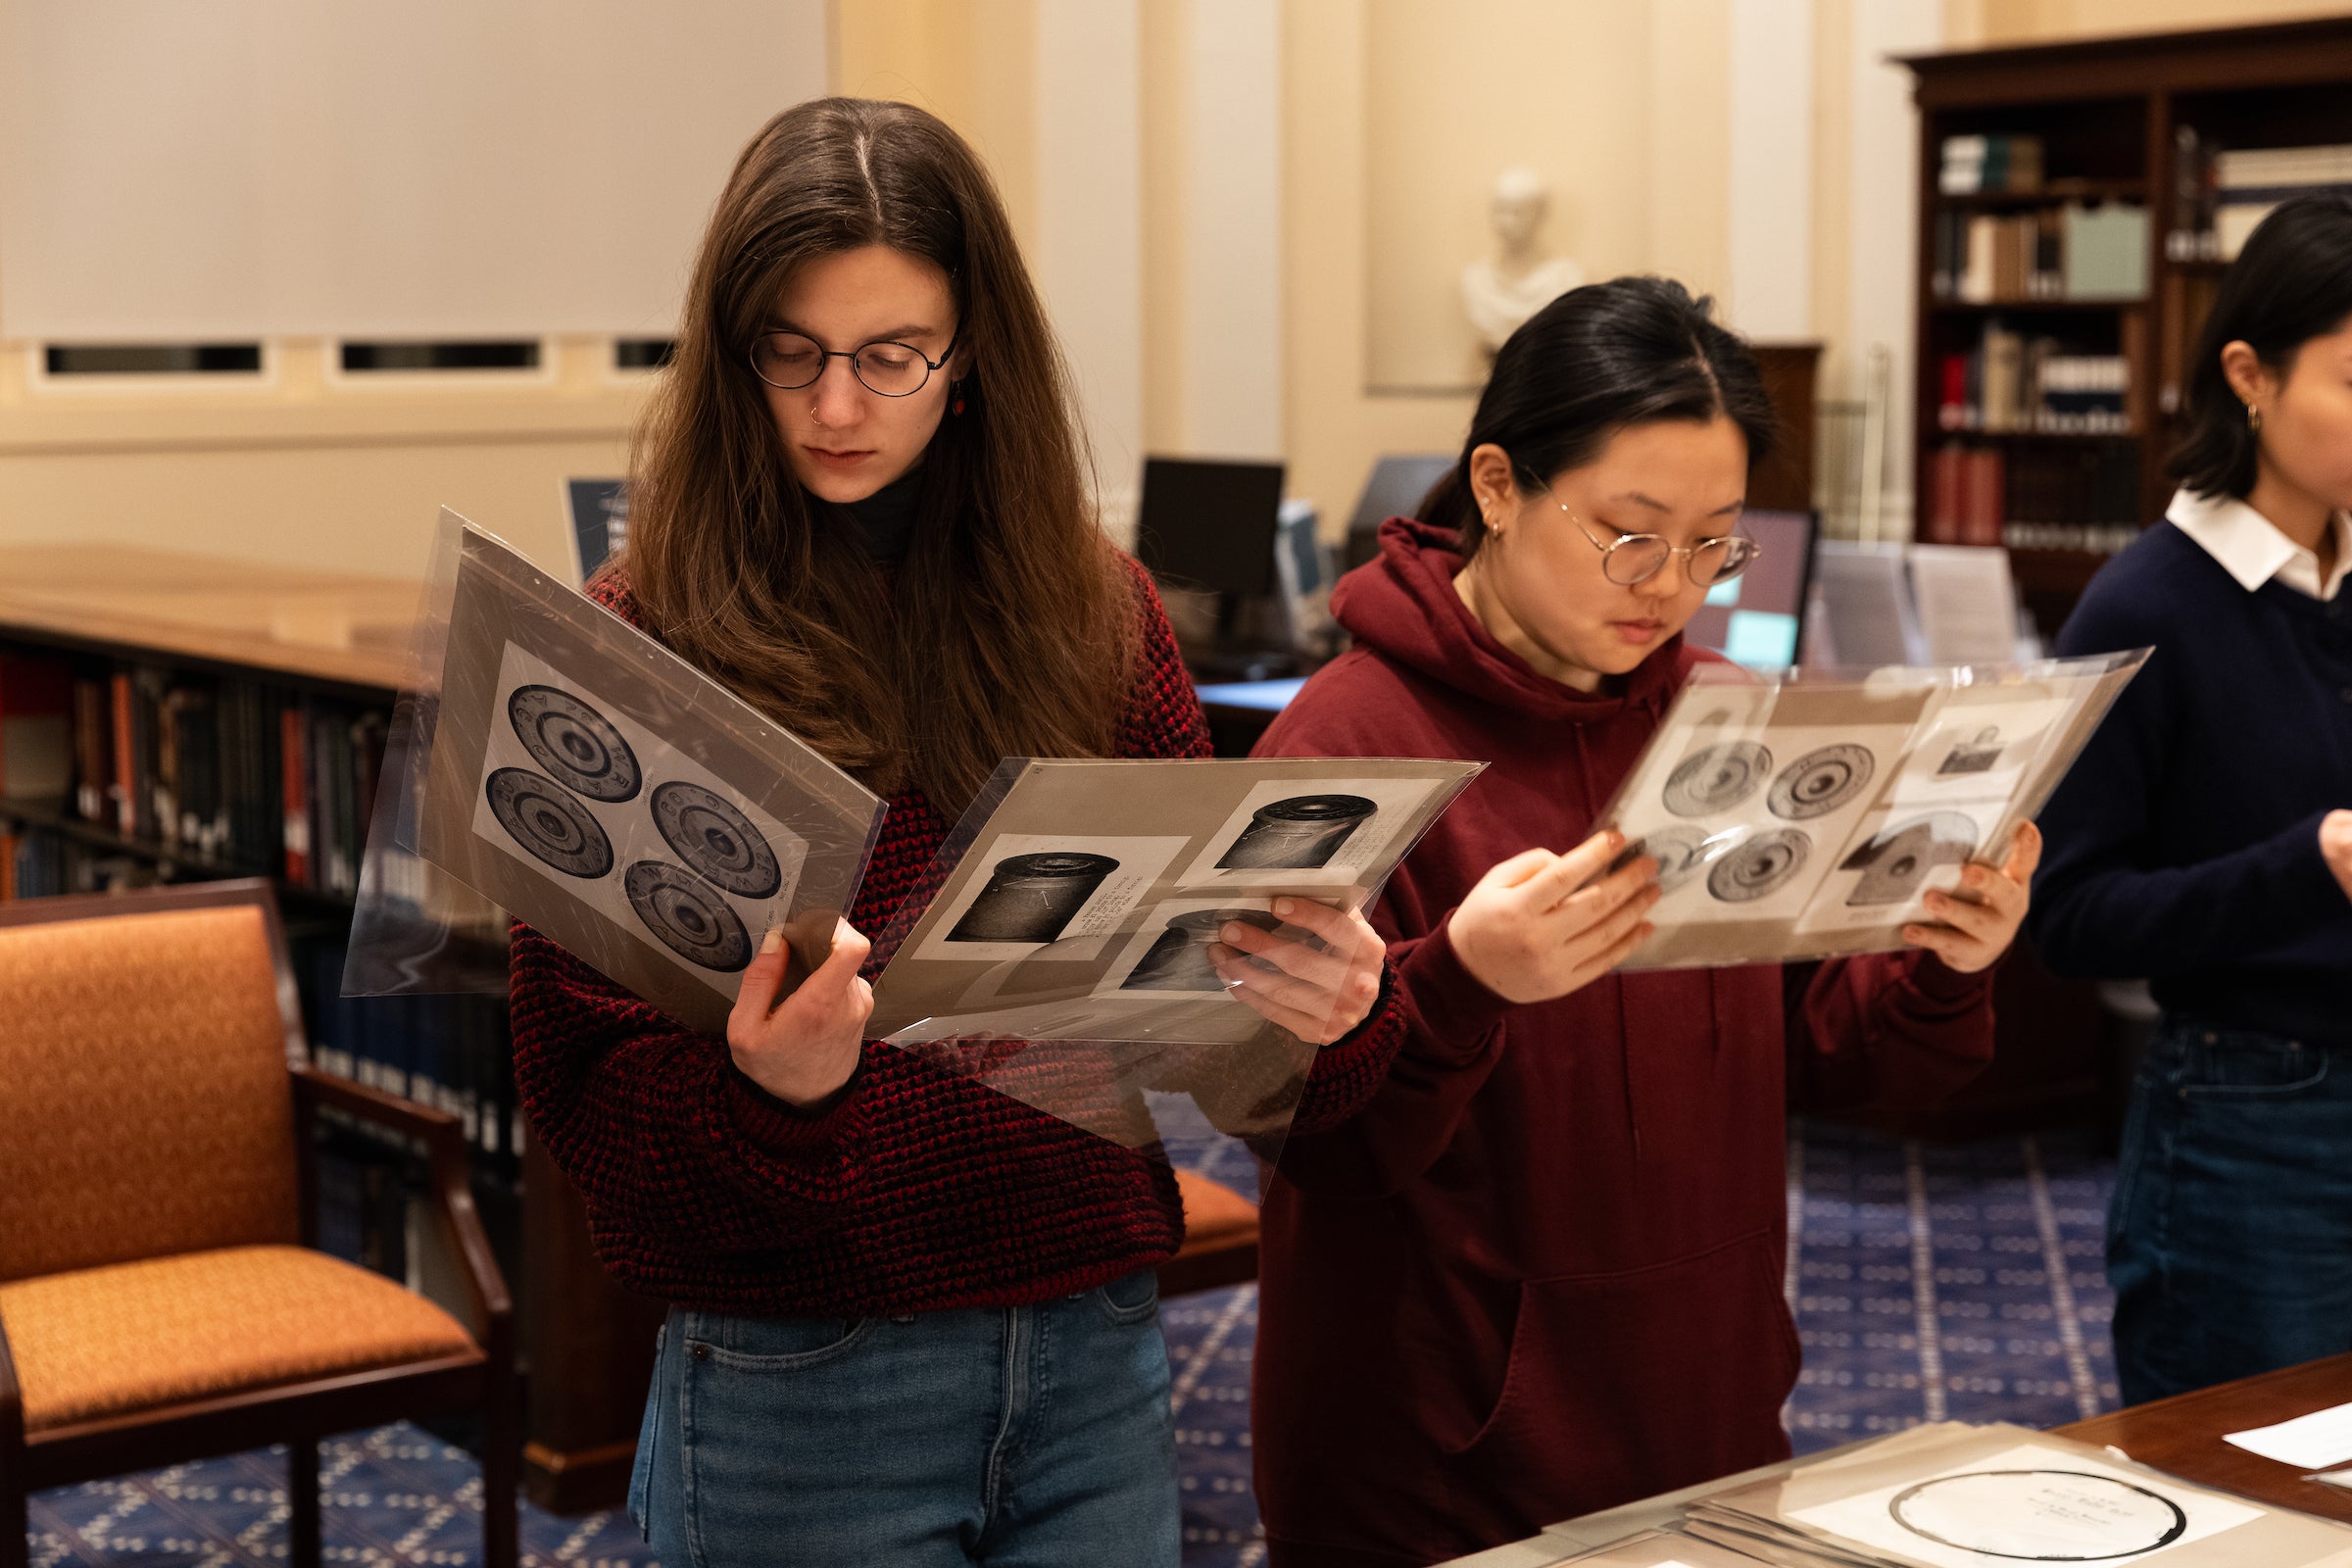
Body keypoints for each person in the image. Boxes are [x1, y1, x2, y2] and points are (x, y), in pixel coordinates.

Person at [506, 97, 1396, 1567]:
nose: (837, 408)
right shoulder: (641, 644)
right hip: (807, 1374)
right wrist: (768, 1096)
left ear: (971, 353)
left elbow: (1212, 1055)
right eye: (789, 355)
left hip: (1090, 1344)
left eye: (891, 357)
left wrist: (1323, 1010)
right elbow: (583, 1102)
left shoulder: (1098, 615)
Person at [1240, 276, 2040, 1567]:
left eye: (1716, 540)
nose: (1671, 585)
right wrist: (1456, 984)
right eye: (1628, 531)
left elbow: (1839, 1061)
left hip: (1706, 1425)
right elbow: (1301, 1139)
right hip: (1435, 1462)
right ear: (1496, 486)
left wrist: (1947, 962)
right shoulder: (1347, 743)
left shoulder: (1724, 721)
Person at [2028, 194, 2352, 1407]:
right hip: (2250, 1119)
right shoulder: (2144, 606)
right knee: (2257, 1502)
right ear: (2249, 375)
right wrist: (2307, 860)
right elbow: (2069, 915)